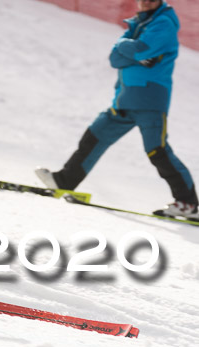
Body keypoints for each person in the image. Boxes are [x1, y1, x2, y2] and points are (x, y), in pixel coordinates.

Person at [35, 0, 198, 220]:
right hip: (125, 98)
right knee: (95, 135)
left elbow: (141, 49)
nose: (146, 2)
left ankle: (189, 205)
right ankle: (65, 180)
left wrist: (128, 49)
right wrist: (131, 53)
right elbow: (115, 59)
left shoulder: (164, 23)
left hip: (149, 100)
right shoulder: (138, 25)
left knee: (157, 151)